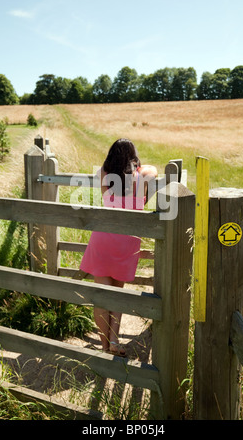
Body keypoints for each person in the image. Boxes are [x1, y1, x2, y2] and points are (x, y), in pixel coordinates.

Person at [80, 138, 157, 357]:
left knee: (102, 296)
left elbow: (101, 169)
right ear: (133, 158)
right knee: (118, 294)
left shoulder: (105, 174)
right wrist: (137, 165)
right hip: (127, 240)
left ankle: (105, 346)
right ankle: (114, 341)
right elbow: (153, 170)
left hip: (103, 237)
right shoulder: (141, 176)